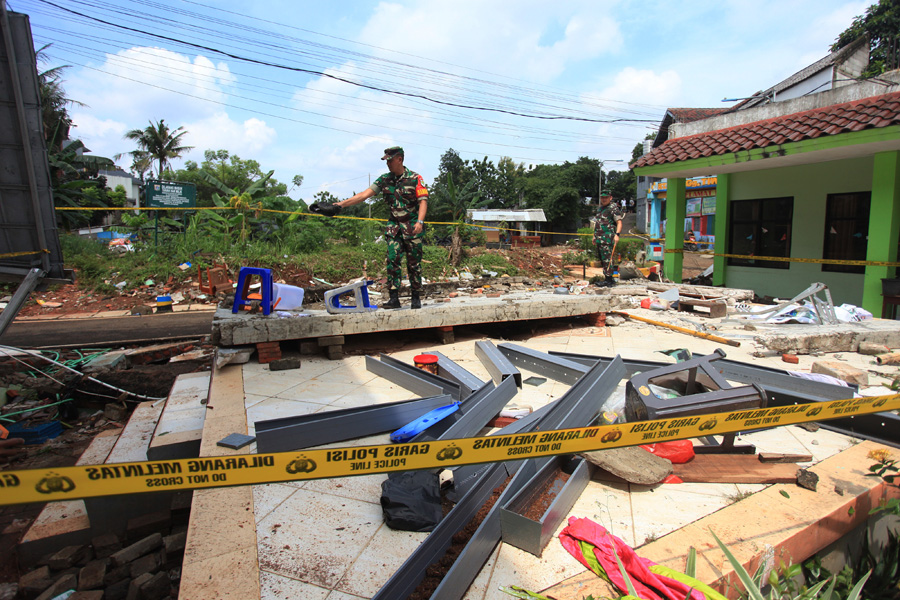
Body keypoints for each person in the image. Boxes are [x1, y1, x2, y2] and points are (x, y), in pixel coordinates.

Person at [309, 146, 428, 309]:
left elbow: (423, 201)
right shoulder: (384, 180)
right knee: (392, 261)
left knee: (414, 264)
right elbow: (364, 195)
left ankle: (416, 298)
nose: (388, 164)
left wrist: (420, 222)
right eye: (386, 161)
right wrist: (339, 205)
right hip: (394, 227)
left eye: (390, 160)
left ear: (399, 159)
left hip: (412, 227)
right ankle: (394, 298)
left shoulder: (415, 178)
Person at [593, 195, 623, 287]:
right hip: (599, 238)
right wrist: (594, 236)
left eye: (606, 198)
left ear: (610, 198)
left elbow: (619, 222)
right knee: (603, 259)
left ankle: (609, 280)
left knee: (608, 259)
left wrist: (617, 235)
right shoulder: (600, 209)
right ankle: (607, 278)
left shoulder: (613, 208)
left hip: (608, 238)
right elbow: (597, 223)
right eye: (602, 198)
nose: (604, 199)